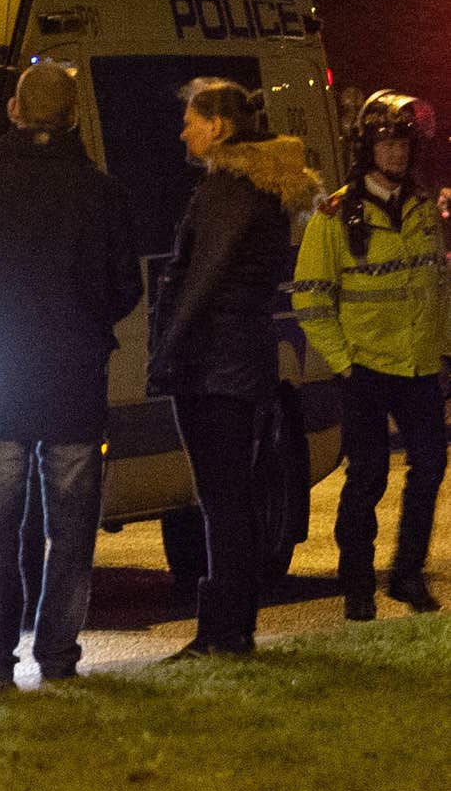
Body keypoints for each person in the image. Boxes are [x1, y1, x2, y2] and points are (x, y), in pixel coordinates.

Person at [0, 61, 141, 691]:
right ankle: (58, 658)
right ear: (76, 115)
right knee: (71, 537)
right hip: (74, 383)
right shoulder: (102, 193)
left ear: (14, 110)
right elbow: (125, 288)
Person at [149, 77, 319, 659]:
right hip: (240, 359)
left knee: (222, 502)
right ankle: (231, 627)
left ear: (219, 126)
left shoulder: (226, 192)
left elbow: (199, 280)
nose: (183, 131)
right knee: (232, 499)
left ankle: (223, 632)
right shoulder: (257, 189)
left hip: (214, 366)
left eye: (193, 120)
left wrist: (169, 350)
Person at [294, 89, 446, 620]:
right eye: (385, 142)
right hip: (364, 366)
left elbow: (435, 283)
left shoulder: (426, 208)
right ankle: (357, 585)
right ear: (367, 148)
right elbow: (311, 295)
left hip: (421, 364)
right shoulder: (336, 214)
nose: (397, 152)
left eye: (403, 141)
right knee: (369, 476)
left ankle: (407, 575)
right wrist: (343, 362)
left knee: (429, 464)